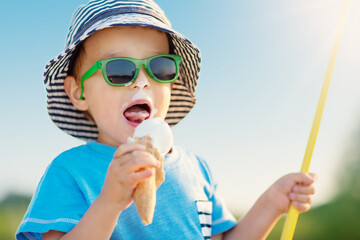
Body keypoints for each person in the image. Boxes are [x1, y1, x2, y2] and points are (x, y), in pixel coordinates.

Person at [16, 1, 316, 239]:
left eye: (159, 67)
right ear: (78, 92)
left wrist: (273, 202)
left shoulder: (197, 168)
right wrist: (109, 203)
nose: (142, 81)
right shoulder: (69, 171)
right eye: (119, 70)